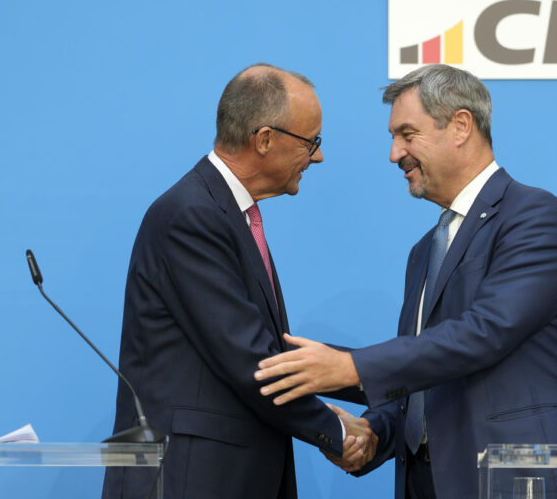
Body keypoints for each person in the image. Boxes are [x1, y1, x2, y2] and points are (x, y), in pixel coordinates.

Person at [254, 64, 557, 499]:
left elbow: (485, 333)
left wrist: (349, 367)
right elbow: (426, 383)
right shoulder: (425, 250)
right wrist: (374, 434)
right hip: (429, 482)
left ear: (461, 125)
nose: (394, 153)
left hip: (522, 479)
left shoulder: (532, 216)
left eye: (407, 133)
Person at [102, 63, 375, 499]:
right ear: (264, 140)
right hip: (191, 479)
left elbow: (263, 348)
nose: (318, 156)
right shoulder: (192, 216)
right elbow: (252, 361)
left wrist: (377, 378)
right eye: (312, 142)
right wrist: (336, 431)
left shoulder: (224, 213)